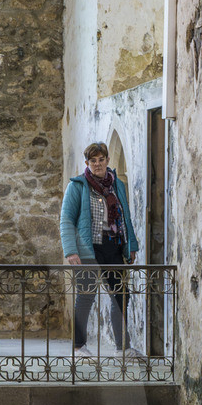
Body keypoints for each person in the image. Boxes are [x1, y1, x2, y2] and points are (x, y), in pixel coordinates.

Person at [60, 138, 139, 352]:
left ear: (107, 160)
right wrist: (70, 251)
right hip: (88, 249)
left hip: (113, 245)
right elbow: (66, 220)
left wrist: (131, 245)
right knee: (86, 297)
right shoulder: (77, 186)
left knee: (121, 296)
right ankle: (78, 346)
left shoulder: (117, 185)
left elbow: (125, 216)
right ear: (87, 163)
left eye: (101, 159)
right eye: (92, 160)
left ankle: (123, 346)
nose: (97, 164)